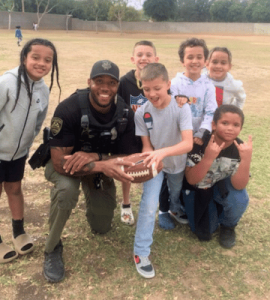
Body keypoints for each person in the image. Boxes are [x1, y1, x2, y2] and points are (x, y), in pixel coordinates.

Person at [43, 60, 139, 283]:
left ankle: (91, 196)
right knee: (67, 191)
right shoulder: (69, 108)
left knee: (102, 227)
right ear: (89, 82)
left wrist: (98, 159)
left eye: (111, 83)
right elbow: (59, 163)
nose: (105, 88)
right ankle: (52, 248)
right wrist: (103, 165)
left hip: (96, 167)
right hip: (66, 168)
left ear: (117, 86)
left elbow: (129, 157)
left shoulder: (125, 113)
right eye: (99, 81)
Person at [0, 38, 61, 264]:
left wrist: (26, 147)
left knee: (15, 190)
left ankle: (19, 232)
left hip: (17, 153)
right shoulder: (5, 83)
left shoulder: (43, 89)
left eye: (47, 60)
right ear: (24, 58)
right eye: (35, 57)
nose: (41, 63)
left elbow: (38, 122)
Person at [133, 63, 193, 278]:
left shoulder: (180, 107)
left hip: (176, 163)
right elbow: (146, 145)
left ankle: (174, 209)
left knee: (175, 191)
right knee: (149, 204)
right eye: (146, 89)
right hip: (155, 164)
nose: (151, 94)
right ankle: (140, 252)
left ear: (168, 84)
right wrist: (152, 158)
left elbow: (188, 143)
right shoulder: (141, 112)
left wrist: (163, 153)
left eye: (157, 88)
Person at [158, 37, 218, 230]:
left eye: (199, 57)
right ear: (182, 60)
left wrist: (202, 132)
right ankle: (164, 210)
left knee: (187, 173)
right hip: (177, 138)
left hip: (199, 139)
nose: (194, 61)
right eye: (190, 57)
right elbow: (171, 109)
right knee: (170, 174)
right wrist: (185, 133)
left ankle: (179, 204)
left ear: (205, 61)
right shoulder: (175, 83)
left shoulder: (208, 85)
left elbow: (210, 112)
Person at [182, 105, 251, 248]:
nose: (230, 128)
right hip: (198, 188)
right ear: (213, 125)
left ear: (241, 128)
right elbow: (191, 180)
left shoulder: (240, 147)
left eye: (235, 125)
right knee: (205, 232)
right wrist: (208, 158)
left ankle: (228, 226)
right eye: (224, 123)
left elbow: (239, 185)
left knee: (240, 197)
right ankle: (209, 208)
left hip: (220, 185)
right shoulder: (199, 143)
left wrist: (246, 159)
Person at [117, 40, 159, 225]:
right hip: (130, 135)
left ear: (156, 58)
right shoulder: (124, 82)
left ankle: (149, 204)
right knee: (128, 169)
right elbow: (117, 105)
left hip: (153, 134)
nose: (144, 58)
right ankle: (126, 203)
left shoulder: (159, 79)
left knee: (151, 168)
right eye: (140, 54)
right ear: (133, 58)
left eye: (148, 54)